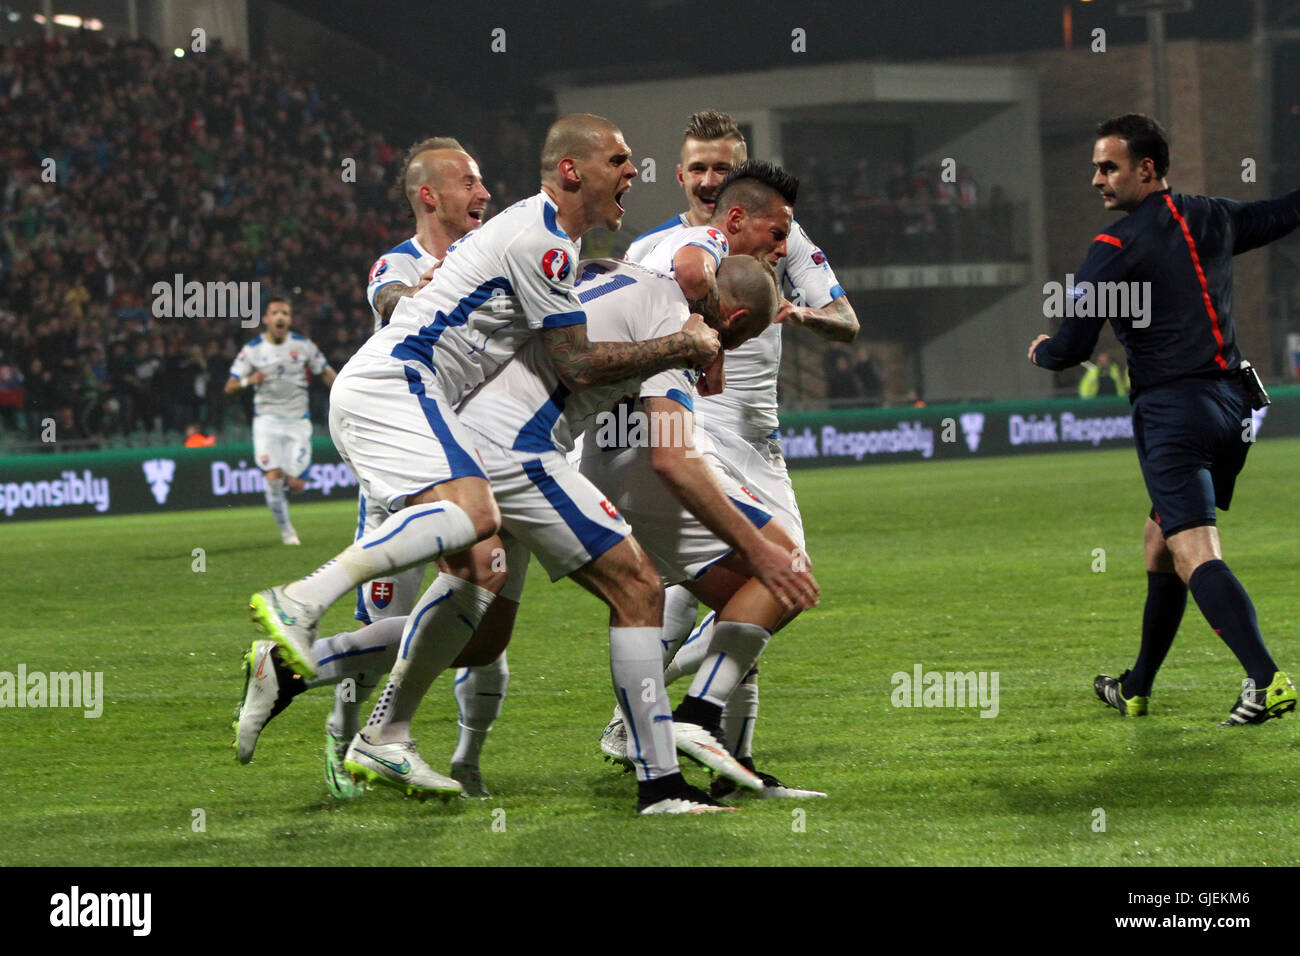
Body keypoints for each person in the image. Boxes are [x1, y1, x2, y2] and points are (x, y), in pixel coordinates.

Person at [245, 114, 721, 799]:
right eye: (618, 159)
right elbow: (578, 362)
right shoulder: (540, 241)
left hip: (434, 406)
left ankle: (376, 729)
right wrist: (681, 343)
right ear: (571, 171)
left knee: (478, 599)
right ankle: (301, 603)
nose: (631, 172)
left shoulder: (545, 243)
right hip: (401, 384)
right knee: (503, 532)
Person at [1027, 112, 1296, 725]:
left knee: (1196, 551)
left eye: (1108, 166)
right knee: (1159, 542)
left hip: (1174, 414)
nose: (1096, 179)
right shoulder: (1214, 216)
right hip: (1234, 409)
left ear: (1146, 169)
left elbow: (1070, 346)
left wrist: (1043, 350)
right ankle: (1137, 686)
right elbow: (1283, 212)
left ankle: (1266, 679)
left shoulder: (1113, 247)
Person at [618, 112, 859, 793]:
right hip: (692, 431)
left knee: (761, 588)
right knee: (768, 574)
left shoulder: (779, 235)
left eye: (721, 168)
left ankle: (711, 750)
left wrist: (800, 313)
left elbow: (847, 321)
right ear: (682, 173)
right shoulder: (662, 248)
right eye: (696, 168)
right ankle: (671, 720)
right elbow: (675, 288)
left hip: (761, 437)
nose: (707, 179)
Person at [225, 297, 336, 545]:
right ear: (266, 319)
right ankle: (287, 532)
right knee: (272, 475)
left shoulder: (303, 345)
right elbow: (230, 386)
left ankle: (288, 477)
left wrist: (345, 391)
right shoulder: (252, 350)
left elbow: (326, 372)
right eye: (275, 313)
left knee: (296, 484)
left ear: (290, 319)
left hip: (297, 422)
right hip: (267, 421)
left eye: (285, 313)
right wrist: (249, 381)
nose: (280, 317)